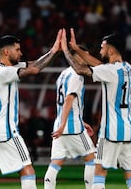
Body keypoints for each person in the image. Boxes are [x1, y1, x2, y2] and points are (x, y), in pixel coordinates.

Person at [0, 30, 62, 189]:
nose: (21, 53)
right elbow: (34, 70)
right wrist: (54, 50)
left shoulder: (3, 68)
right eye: (17, 50)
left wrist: (52, 52)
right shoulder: (4, 72)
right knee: (27, 171)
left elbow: (34, 64)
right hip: (6, 130)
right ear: (7, 51)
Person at [61, 28, 131, 189]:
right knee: (130, 175)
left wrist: (66, 50)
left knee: (99, 172)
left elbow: (80, 70)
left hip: (112, 130)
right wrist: (77, 49)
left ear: (110, 50)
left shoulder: (109, 71)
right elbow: (99, 65)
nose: (100, 50)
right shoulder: (129, 69)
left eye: (102, 47)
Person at [43, 45, 95, 189]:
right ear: (76, 56)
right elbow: (68, 100)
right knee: (92, 159)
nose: (86, 58)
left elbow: (65, 104)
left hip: (60, 124)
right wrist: (66, 124)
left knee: (56, 163)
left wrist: (80, 121)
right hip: (71, 127)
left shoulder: (63, 74)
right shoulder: (77, 75)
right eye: (84, 55)